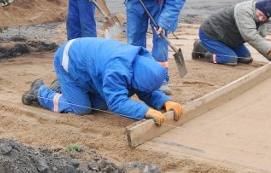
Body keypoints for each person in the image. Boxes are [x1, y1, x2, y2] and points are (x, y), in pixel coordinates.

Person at [21, 38, 184, 126]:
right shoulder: (117, 71)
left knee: (100, 105)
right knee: (82, 108)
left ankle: (66, 87)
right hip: (68, 59)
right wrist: (145, 112)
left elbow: (146, 89)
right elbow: (117, 103)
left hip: (87, 63)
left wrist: (164, 102)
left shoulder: (141, 62)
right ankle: (40, 92)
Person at [192, 0, 271, 67]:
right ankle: (201, 49)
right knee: (230, 59)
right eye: (260, 15)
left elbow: (261, 38)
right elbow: (251, 36)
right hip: (211, 33)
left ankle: (218, 50)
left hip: (228, 38)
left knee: (246, 58)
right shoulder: (244, 11)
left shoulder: (261, 18)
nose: (261, 19)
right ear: (256, 8)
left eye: (264, 18)